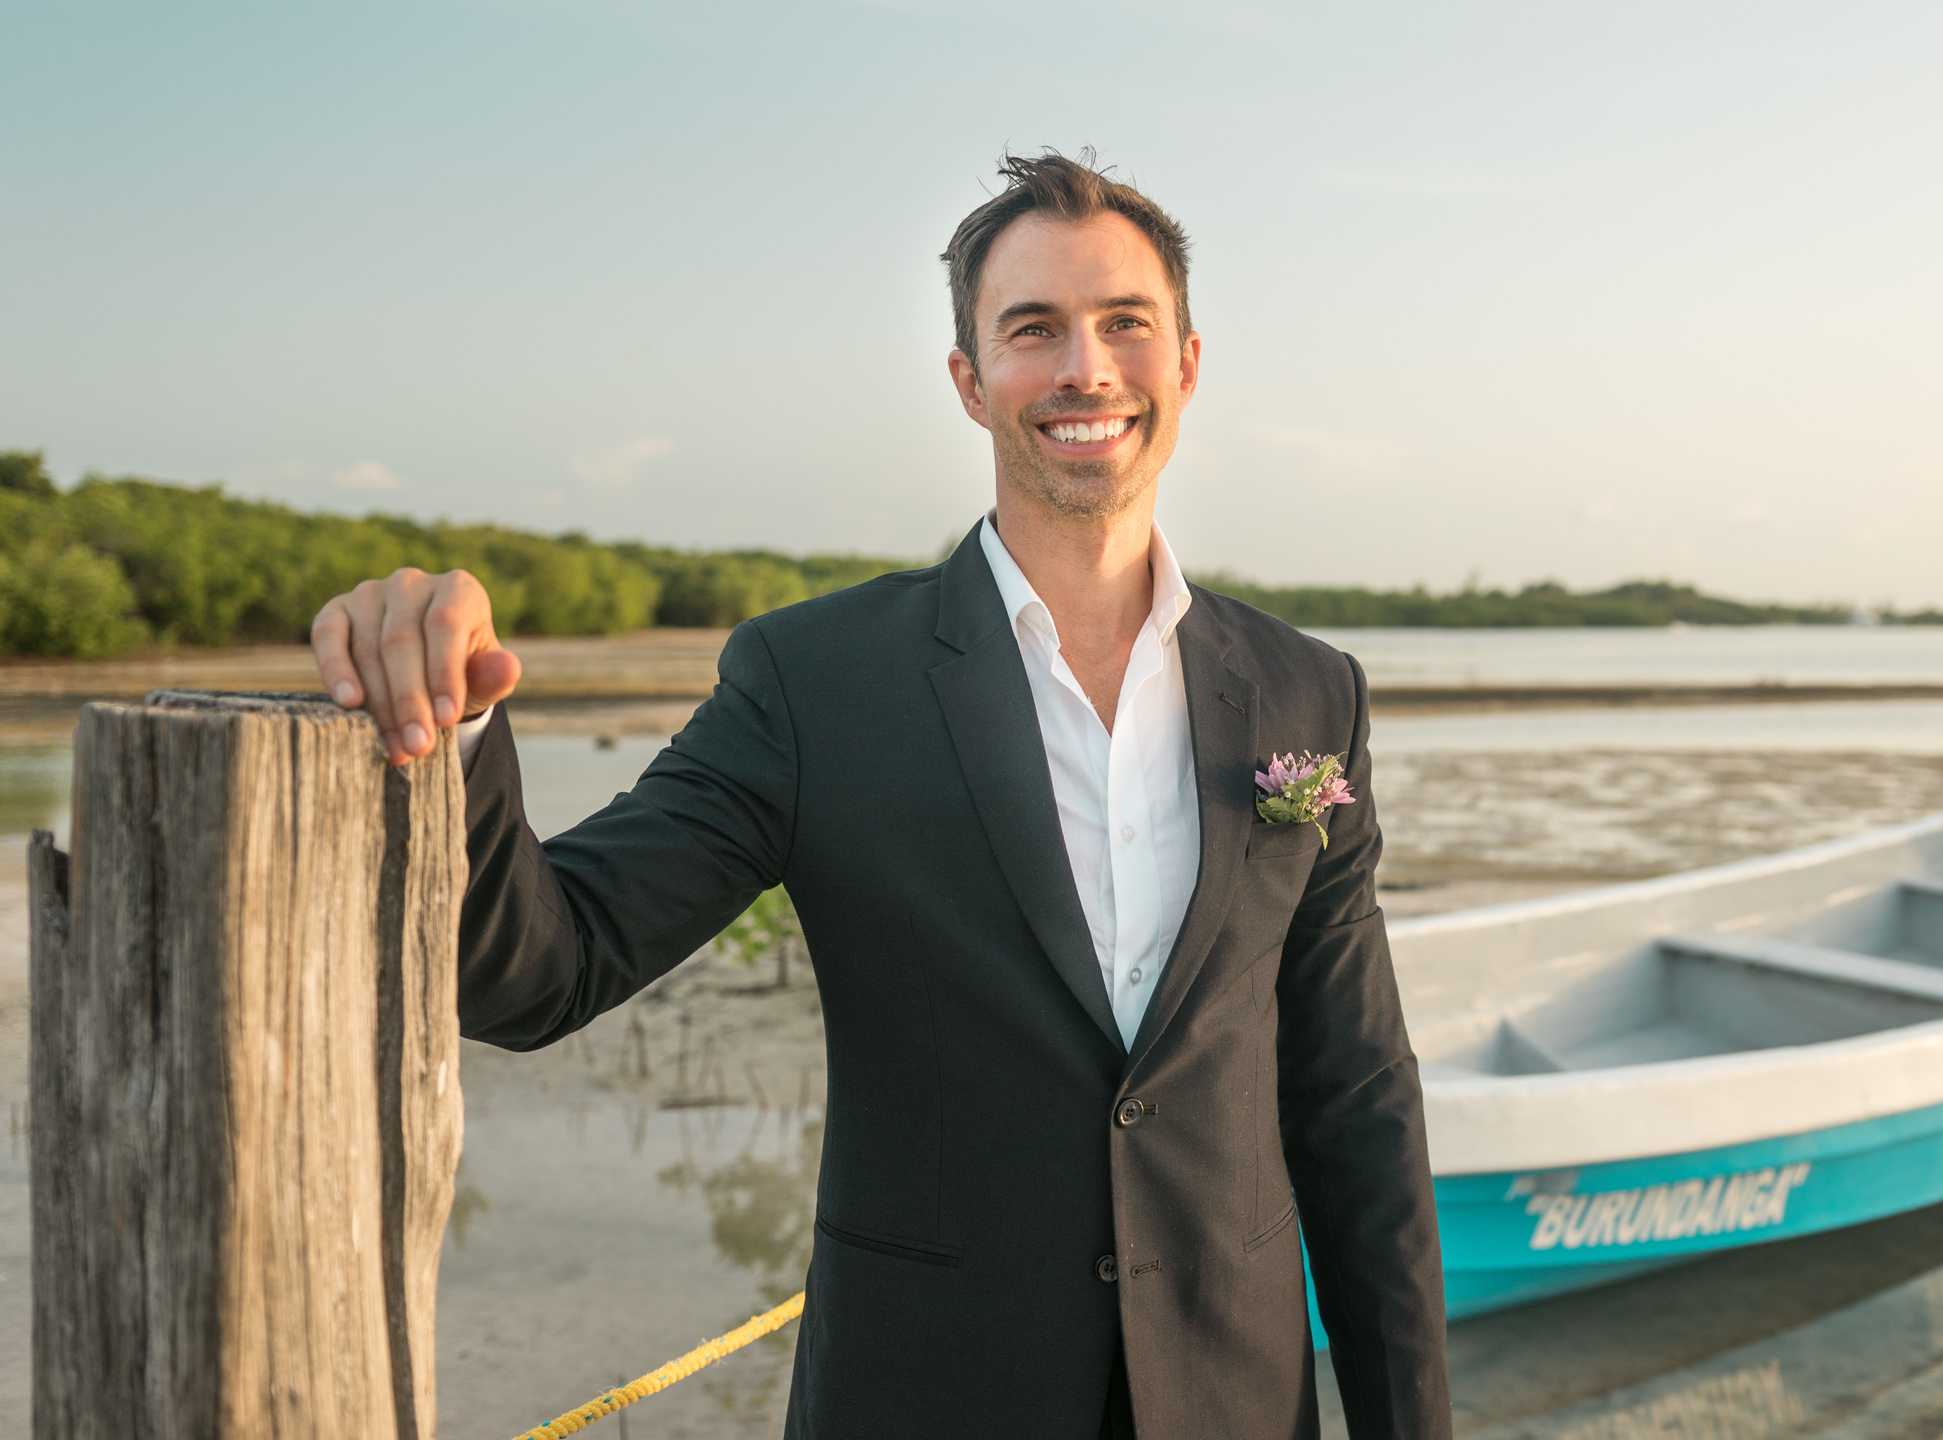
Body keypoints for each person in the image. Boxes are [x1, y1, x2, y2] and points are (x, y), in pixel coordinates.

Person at [309, 151, 1452, 1439]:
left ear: (1185, 363)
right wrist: (456, 721)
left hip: (1237, 1402)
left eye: (1125, 322)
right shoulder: (816, 682)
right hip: (924, 1399)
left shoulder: (1312, 695)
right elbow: (540, 973)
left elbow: (1356, 1099)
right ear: (970, 383)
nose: (1085, 367)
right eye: (1033, 329)